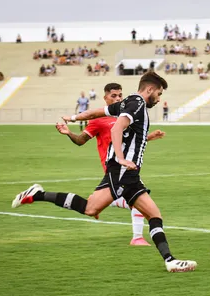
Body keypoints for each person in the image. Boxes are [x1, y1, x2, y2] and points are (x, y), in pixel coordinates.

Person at [12, 72, 197, 273]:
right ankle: (37, 194)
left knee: (153, 214)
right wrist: (121, 157)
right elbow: (117, 129)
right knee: (92, 209)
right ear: (150, 89)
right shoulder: (137, 104)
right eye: (159, 94)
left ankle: (170, 260)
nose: (159, 99)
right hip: (122, 171)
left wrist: (72, 117)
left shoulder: (127, 103)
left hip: (129, 174)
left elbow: (95, 113)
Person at [54, 83, 161, 246]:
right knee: (136, 202)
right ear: (105, 98)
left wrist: (147, 138)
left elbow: (130, 142)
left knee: (126, 203)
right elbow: (81, 140)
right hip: (115, 169)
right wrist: (69, 133)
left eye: (120, 95)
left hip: (124, 168)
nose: (118, 98)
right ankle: (138, 238)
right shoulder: (99, 120)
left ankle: (136, 236)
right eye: (113, 96)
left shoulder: (127, 115)